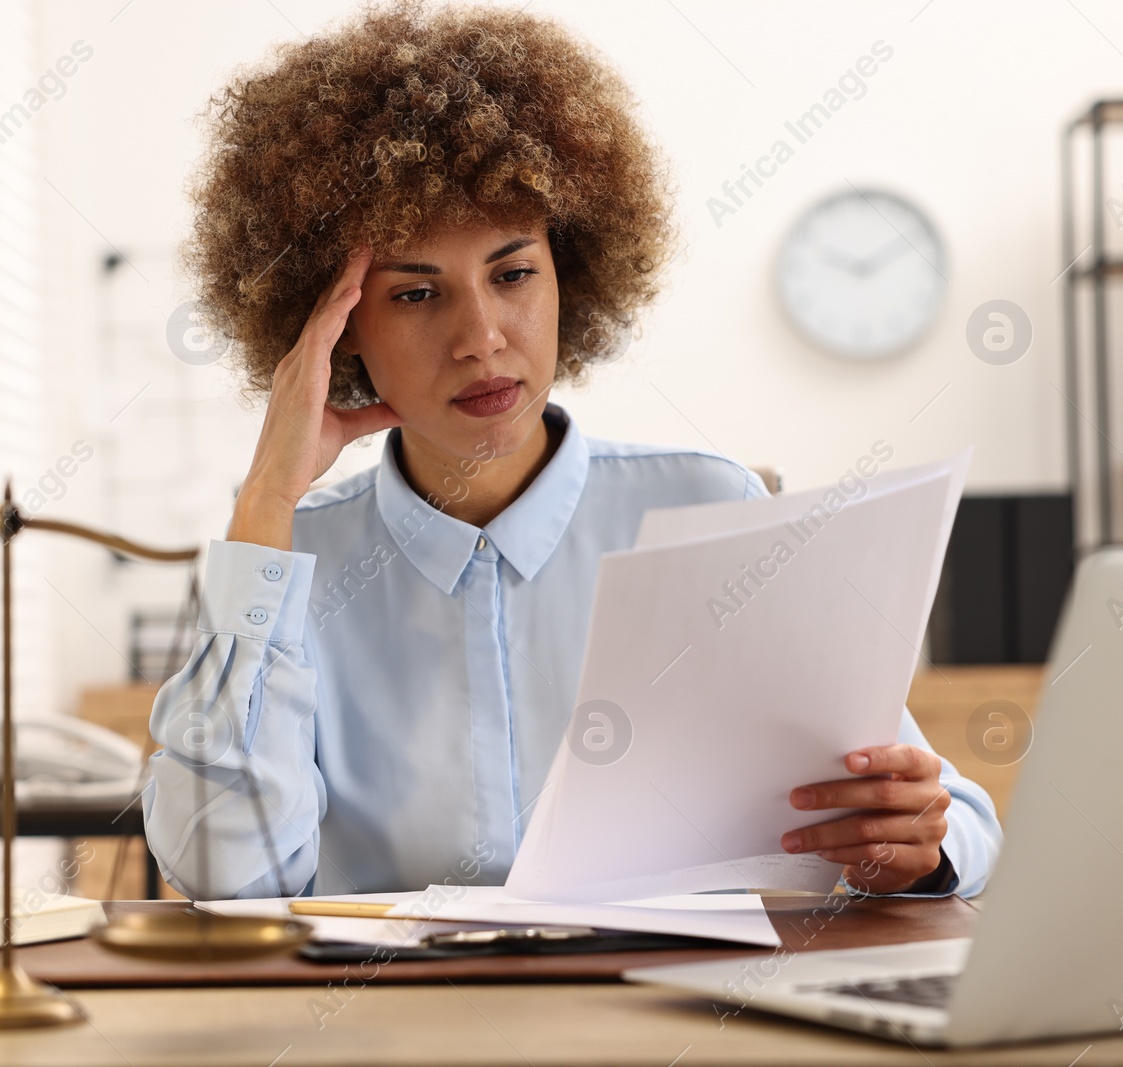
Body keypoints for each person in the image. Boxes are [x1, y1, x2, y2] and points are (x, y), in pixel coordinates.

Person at [142, 0, 1001, 901]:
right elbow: (223, 877)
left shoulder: (711, 507)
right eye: (417, 294)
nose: (482, 337)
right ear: (337, 328)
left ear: (570, 276)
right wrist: (266, 504)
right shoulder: (290, 560)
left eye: (513, 274)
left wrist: (917, 840)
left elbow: (960, 822)